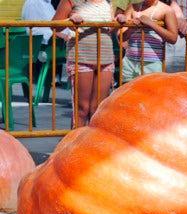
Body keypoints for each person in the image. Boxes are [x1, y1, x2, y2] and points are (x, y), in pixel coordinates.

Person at [53, 0, 115, 128]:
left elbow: (110, 28)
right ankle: (76, 145)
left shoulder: (108, 2)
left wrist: (119, 21)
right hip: (81, 58)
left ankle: (93, 145)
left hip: (105, 59)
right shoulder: (70, 1)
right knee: (82, 109)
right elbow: (55, 25)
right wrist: (69, 21)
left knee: (97, 109)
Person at [115, 0, 178, 82]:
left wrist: (151, 24)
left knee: (150, 93)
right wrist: (132, 29)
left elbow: (173, 38)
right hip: (129, 61)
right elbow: (121, 37)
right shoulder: (132, 7)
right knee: (127, 93)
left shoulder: (167, 10)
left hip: (152, 63)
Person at [21, 0, 68, 84]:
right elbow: (34, 30)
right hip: (44, 48)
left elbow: (55, 24)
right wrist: (56, 33)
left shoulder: (47, 3)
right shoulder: (33, 3)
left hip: (57, 45)